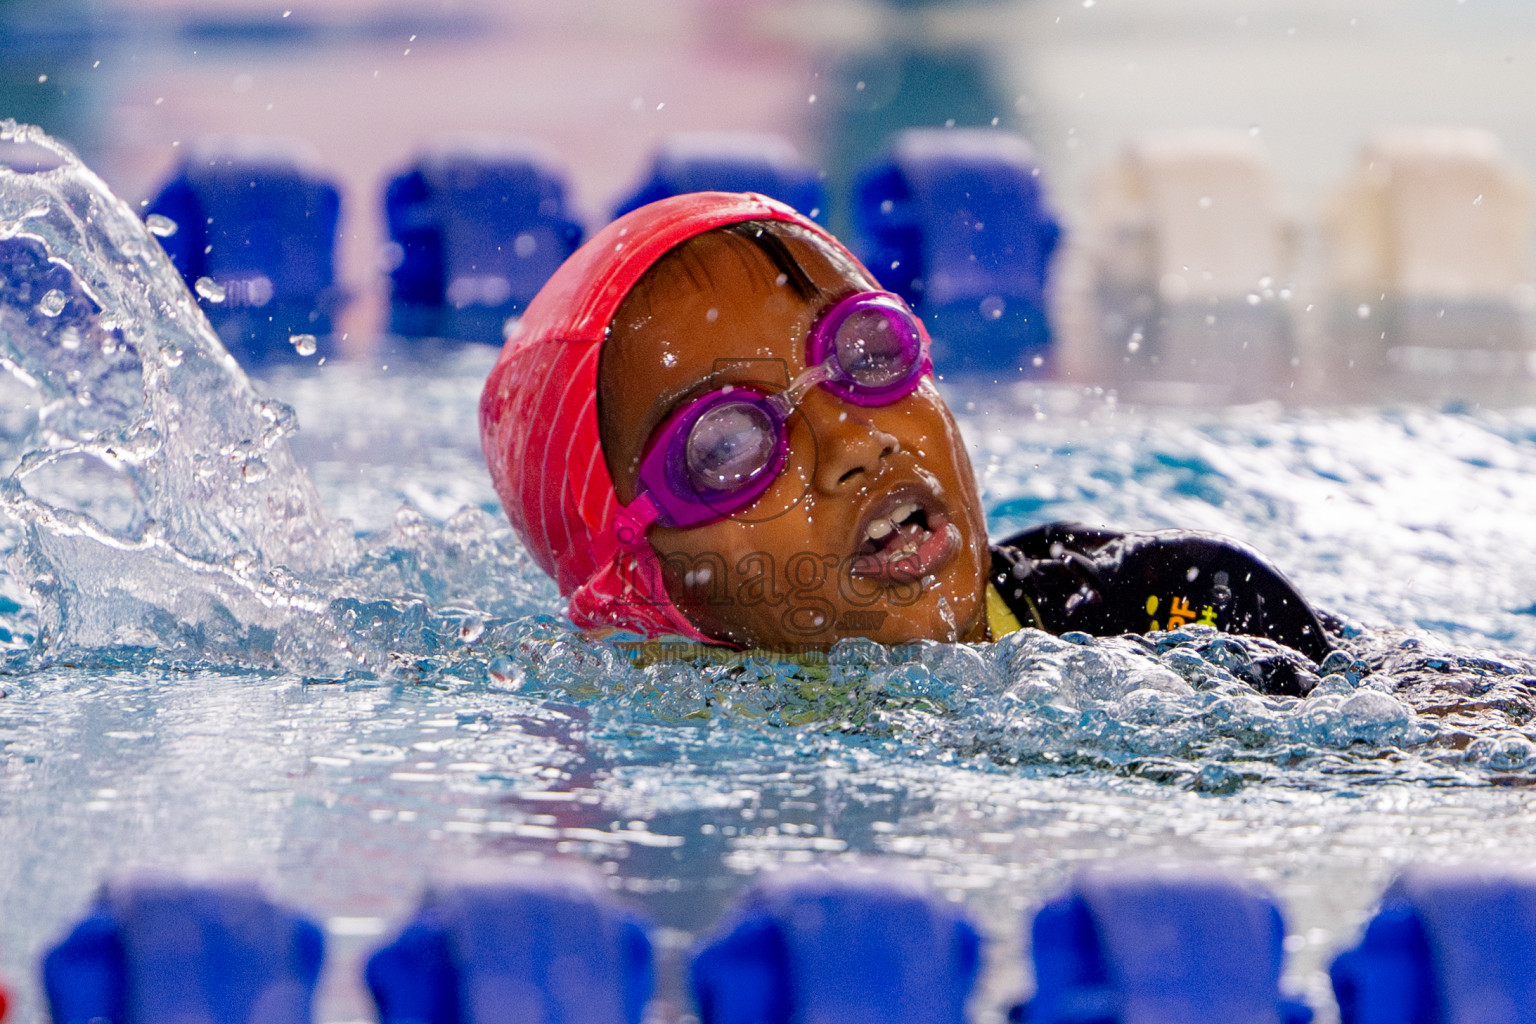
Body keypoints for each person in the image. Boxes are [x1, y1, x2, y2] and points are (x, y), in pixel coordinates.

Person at [480, 192, 1331, 663]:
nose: (854, 442)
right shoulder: (677, 771)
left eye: (863, 351)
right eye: (729, 444)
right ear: (639, 590)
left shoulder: (1168, 608)